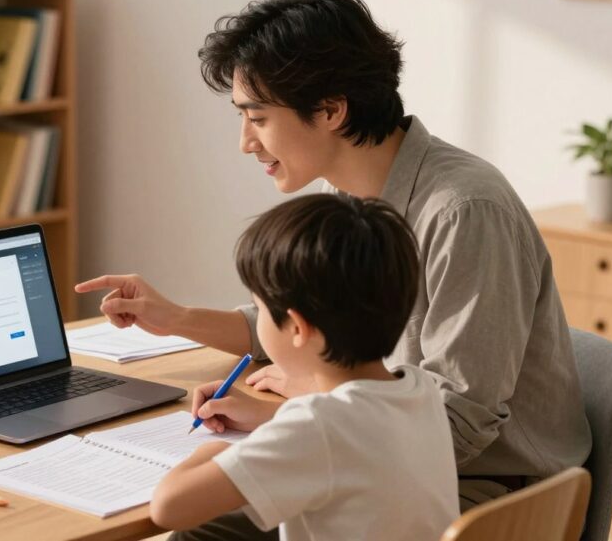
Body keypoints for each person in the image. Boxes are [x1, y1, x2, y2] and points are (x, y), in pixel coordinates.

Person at [75, 0, 591, 532]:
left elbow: (458, 425)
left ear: (329, 111)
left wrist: (296, 419)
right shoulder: (346, 193)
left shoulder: (465, 211)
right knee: (204, 527)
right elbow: (299, 327)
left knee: (204, 522)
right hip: (386, 451)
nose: (245, 142)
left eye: (258, 117)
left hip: (481, 490)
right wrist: (176, 319)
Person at [149, 194, 459, 541]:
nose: (258, 320)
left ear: (297, 327)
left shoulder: (316, 428)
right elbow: (353, 431)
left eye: (259, 308)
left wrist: (216, 453)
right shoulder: (419, 389)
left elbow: (167, 507)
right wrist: (272, 416)